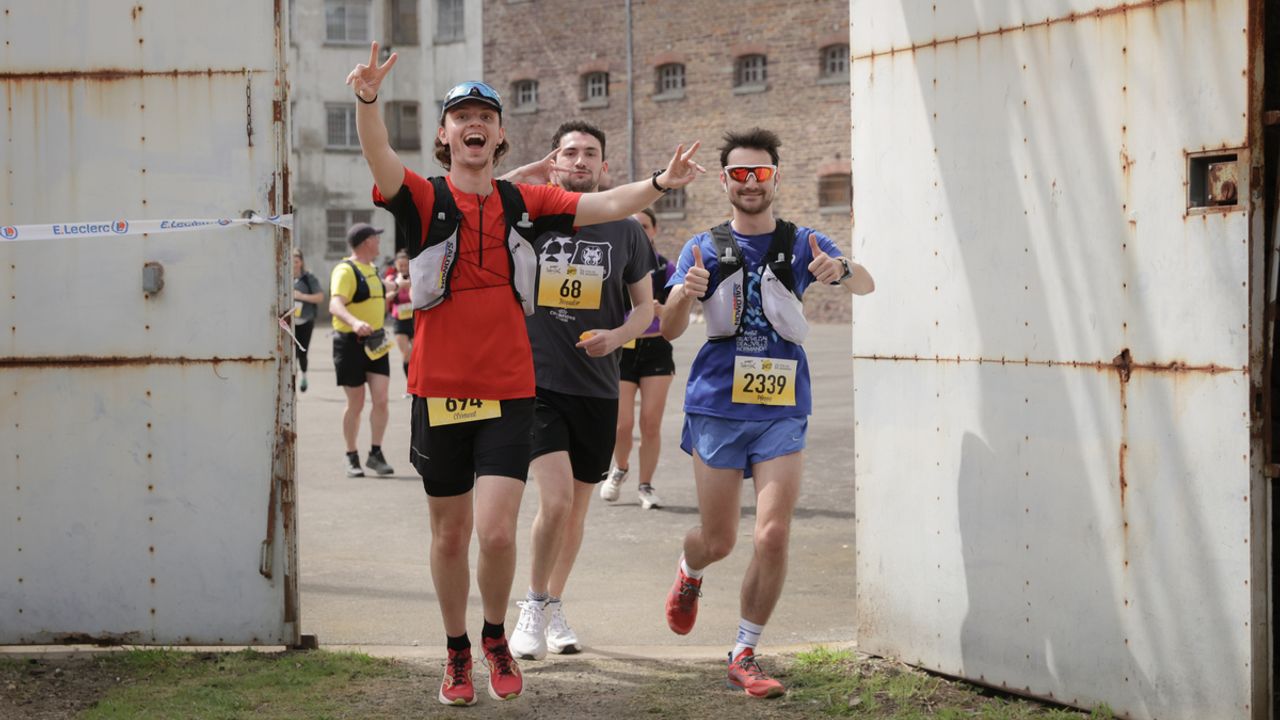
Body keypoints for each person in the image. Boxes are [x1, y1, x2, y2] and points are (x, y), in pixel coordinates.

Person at [345, 41, 704, 706]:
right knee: (450, 533)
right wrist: (367, 100)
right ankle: (455, 650)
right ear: (447, 136)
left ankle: (494, 635)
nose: (473, 123)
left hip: (511, 387)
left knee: (500, 529)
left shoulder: (523, 200)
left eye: (485, 114)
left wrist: (659, 183)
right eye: (461, 116)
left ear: (501, 134)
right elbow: (378, 156)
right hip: (439, 390)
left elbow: (603, 206)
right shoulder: (424, 198)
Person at [660, 128, 874, 699]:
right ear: (726, 181)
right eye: (738, 174)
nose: (750, 183)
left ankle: (744, 652)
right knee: (719, 538)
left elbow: (869, 284)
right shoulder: (702, 246)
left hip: (781, 406)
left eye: (760, 173)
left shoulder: (803, 241)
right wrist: (685, 295)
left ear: (776, 178)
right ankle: (690, 570)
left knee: (773, 535)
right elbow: (670, 327)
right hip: (717, 408)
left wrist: (841, 272)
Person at [507, 121, 655, 661]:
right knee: (556, 499)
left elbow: (646, 309)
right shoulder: (529, 218)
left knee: (576, 513)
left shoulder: (626, 230)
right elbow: (470, 203)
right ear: (554, 160)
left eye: (591, 153)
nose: (580, 161)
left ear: (605, 167)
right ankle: (530, 604)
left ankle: (553, 604)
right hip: (537, 382)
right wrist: (523, 175)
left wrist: (617, 336)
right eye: (570, 152)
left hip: (597, 387)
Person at [601, 207, 676, 509]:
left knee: (650, 423)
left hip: (656, 348)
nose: (640, 231)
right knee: (622, 424)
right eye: (634, 226)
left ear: (654, 231)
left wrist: (662, 311)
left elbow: (679, 313)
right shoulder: (615, 264)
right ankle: (619, 468)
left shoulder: (665, 269)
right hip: (624, 348)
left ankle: (645, 485)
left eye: (645, 226)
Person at [329, 223, 398, 478]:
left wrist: (399, 285)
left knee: (381, 399)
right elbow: (335, 304)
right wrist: (355, 322)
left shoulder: (372, 270)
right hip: (350, 344)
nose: (379, 243)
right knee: (355, 403)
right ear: (367, 241)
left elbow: (378, 293)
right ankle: (351, 455)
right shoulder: (345, 270)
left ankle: (376, 454)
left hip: (377, 343)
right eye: (376, 238)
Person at [291, 247, 324, 393]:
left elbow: (320, 297)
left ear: (301, 262)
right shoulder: (284, 275)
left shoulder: (308, 278)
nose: (294, 264)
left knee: (302, 353)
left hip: (305, 321)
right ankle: (291, 384)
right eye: (291, 260)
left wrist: (300, 296)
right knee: (291, 354)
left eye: (296, 261)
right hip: (289, 323)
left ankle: (304, 375)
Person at [383, 249, 414, 397]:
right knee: (406, 353)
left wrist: (410, 287)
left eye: (405, 265)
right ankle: (410, 386)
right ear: (396, 265)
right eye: (400, 265)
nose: (403, 268)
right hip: (399, 321)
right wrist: (398, 287)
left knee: (417, 353)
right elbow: (386, 297)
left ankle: (418, 384)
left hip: (414, 320)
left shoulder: (414, 277)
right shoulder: (391, 278)